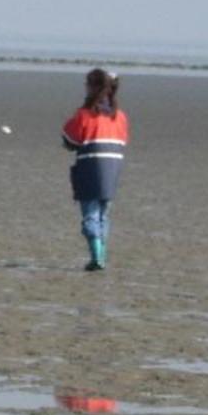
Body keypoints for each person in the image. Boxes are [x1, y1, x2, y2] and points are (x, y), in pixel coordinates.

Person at [62, 68, 128, 271]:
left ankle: (97, 257)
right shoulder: (120, 117)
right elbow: (123, 140)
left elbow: (70, 139)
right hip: (114, 166)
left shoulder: (85, 115)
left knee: (90, 212)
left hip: (91, 165)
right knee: (103, 213)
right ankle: (101, 254)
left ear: (93, 88)